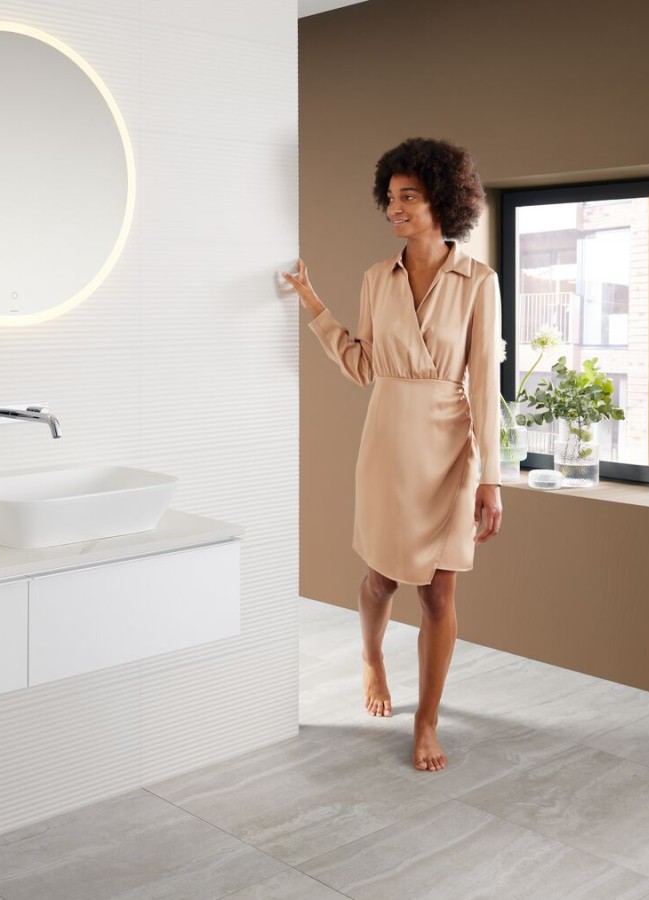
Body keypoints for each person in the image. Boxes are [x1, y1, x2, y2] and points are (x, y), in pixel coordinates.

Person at [284, 137, 503, 772]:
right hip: (386, 441)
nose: (394, 208)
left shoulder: (478, 282)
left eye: (408, 196)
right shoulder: (377, 279)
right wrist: (313, 303)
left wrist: (491, 478)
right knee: (381, 578)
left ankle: (427, 720)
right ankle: (372, 657)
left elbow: (486, 382)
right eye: (390, 197)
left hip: (448, 447)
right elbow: (362, 366)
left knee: (438, 594)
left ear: (444, 200)